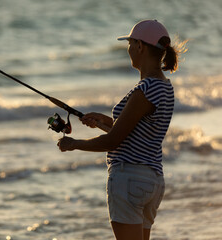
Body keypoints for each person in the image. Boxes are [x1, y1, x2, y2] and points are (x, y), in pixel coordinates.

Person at [57, 20, 187, 240]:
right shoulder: (164, 87)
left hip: (129, 180)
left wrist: (74, 144)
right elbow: (137, 131)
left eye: (130, 43)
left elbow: (113, 142)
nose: (127, 49)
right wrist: (103, 121)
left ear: (140, 46)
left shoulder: (144, 89)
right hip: (152, 182)